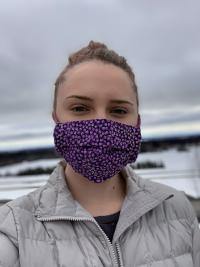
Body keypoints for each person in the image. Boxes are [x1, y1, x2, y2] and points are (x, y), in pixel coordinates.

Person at [0, 41, 200, 267]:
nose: (100, 124)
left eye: (118, 111)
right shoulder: (14, 230)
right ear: (56, 119)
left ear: (137, 122)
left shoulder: (176, 209)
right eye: (79, 108)